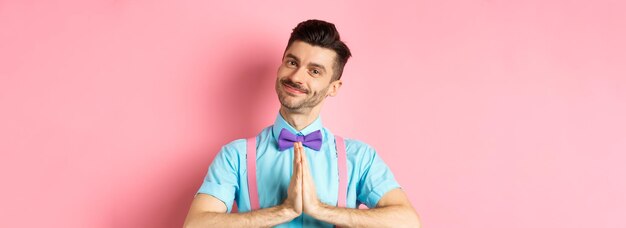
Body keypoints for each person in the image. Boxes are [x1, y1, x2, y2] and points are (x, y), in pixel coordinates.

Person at [184, 19, 421, 227]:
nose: (297, 77)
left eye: (315, 71)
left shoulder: (358, 157)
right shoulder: (235, 155)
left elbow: (408, 222)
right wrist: (283, 210)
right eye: (292, 62)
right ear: (280, 66)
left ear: (333, 87)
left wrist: (320, 209)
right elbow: (196, 224)